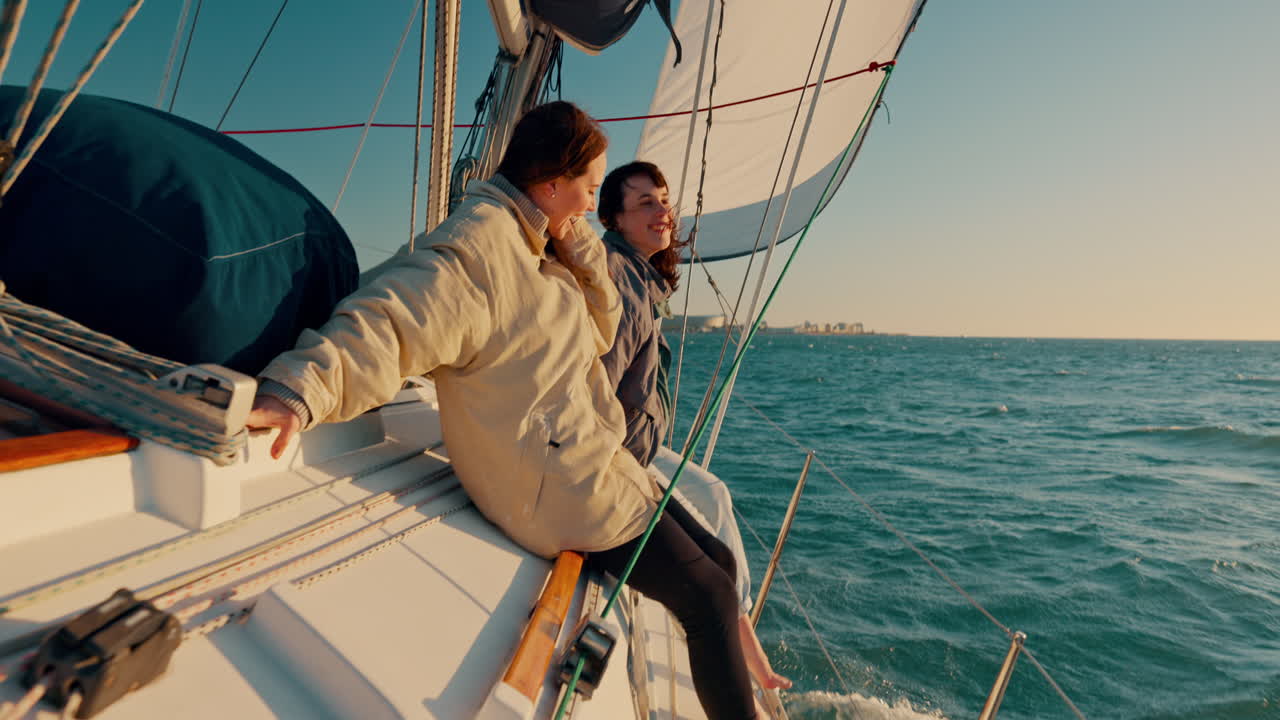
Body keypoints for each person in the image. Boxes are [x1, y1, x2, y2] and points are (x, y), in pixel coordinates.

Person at [245, 102, 767, 718]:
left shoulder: (540, 240)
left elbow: (601, 329)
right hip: (548, 487)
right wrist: (297, 390)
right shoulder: (481, 250)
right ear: (551, 185)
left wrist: (572, 242)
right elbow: (392, 321)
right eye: (590, 191)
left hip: (581, 461)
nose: (589, 209)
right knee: (705, 595)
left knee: (720, 563)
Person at [596, 161, 791, 696]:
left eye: (663, 200)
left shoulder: (642, 278)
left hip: (629, 465)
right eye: (645, 204)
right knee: (708, 599)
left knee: (724, 560)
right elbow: (593, 400)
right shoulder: (620, 280)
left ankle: (754, 669)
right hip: (604, 477)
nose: (663, 212)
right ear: (613, 217)